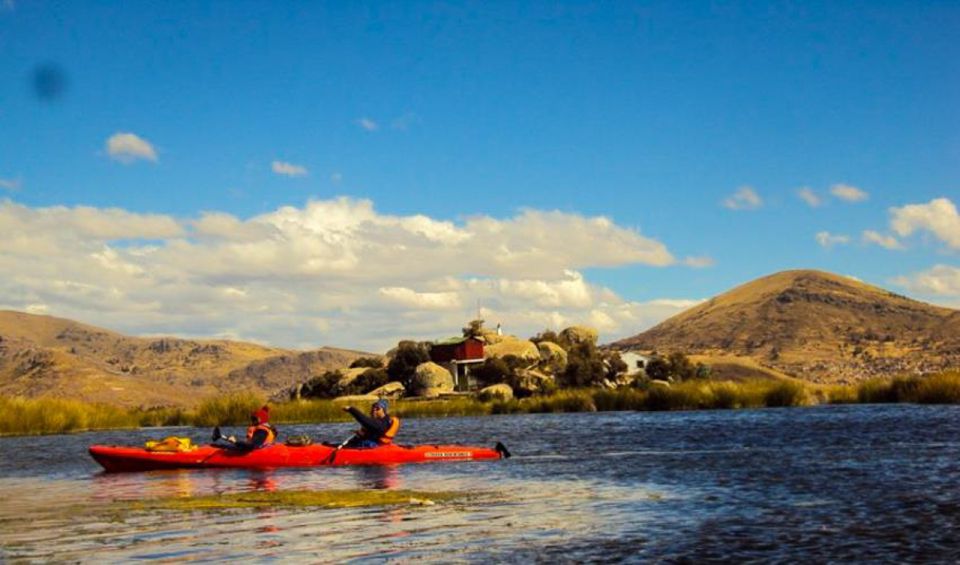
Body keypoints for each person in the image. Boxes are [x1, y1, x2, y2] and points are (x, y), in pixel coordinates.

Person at [212, 405, 278, 450]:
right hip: (256, 449)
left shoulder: (262, 430)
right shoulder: (265, 429)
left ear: (262, 419)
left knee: (221, 447)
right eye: (252, 419)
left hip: (253, 452)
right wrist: (236, 442)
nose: (252, 422)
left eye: (254, 419)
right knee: (220, 446)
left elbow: (251, 446)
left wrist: (235, 442)